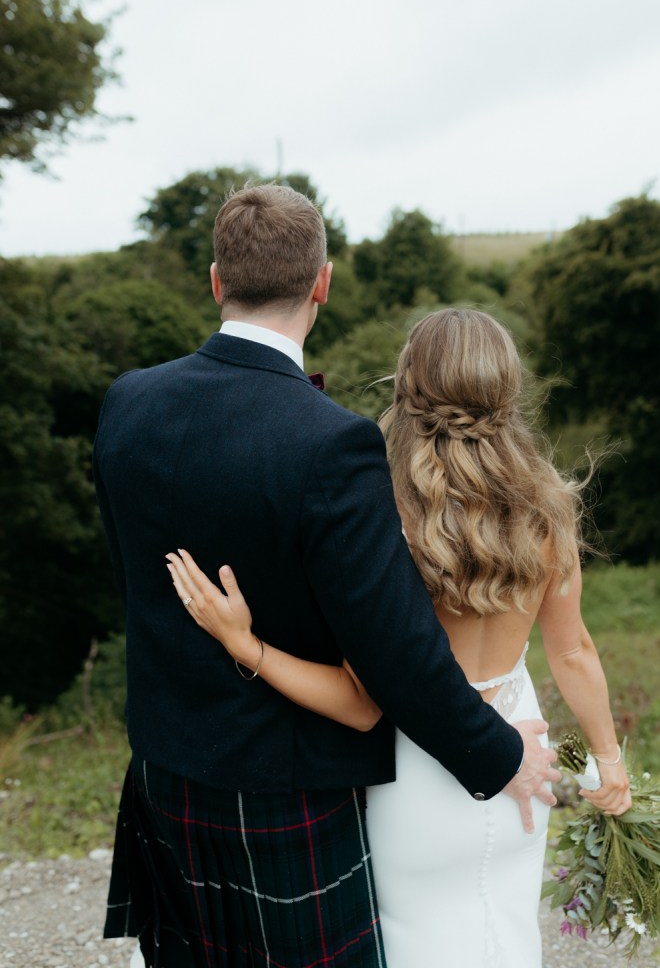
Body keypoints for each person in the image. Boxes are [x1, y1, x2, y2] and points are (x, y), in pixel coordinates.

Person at [94, 186, 559, 968]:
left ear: (215, 281)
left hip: (164, 773)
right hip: (286, 789)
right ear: (322, 282)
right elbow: (396, 652)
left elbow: (136, 583)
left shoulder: (126, 403)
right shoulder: (332, 443)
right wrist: (499, 753)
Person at [166, 307, 631, 968]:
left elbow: (362, 700)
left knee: (415, 945)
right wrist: (608, 763)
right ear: (506, 387)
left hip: (415, 774)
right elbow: (571, 650)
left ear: (406, 385)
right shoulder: (546, 505)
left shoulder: (381, 515)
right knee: (507, 936)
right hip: (520, 749)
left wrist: (248, 647)